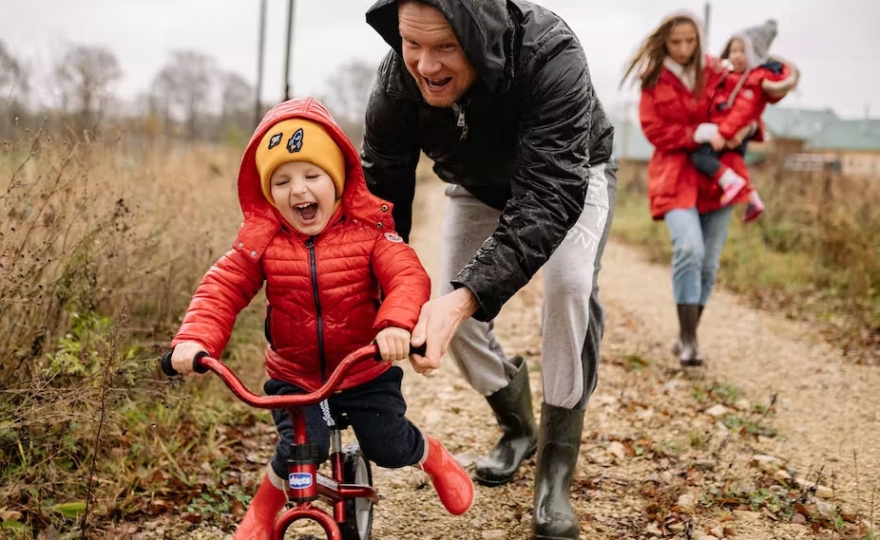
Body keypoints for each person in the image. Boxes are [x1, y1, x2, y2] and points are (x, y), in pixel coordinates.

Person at [361, 1, 616, 538]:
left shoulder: (551, 54)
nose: (425, 65)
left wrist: (466, 297)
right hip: (476, 184)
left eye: (445, 47)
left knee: (568, 287)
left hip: (570, 174)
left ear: (480, 35)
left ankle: (555, 471)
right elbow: (382, 199)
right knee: (452, 316)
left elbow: (549, 196)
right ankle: (518, 427)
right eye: (412, 44)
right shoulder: (396, 81)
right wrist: (375, 296)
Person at [168, 97, 475, 540]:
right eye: (282, 181)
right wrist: (195, 339)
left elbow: (407, 276)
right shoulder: (262, 241)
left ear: (338, 179)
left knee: (388, 446)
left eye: (312, 176)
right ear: (267, 192)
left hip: (364, 368)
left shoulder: (369, 232)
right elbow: (222, 288)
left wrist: (394, 324)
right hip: (295, 375)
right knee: (299, 450)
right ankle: (263, 511)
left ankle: (432, 456)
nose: (298, 191)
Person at [689, 18, 799, 222]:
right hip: (729, 131)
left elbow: (741, 111)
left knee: (700, 157)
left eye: (743, 51)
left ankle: (730, 183)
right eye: (733, 50)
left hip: (728, 132)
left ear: (754, 55)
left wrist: (723, 133)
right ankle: (752, 198)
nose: (737, 55)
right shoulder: (729, 77)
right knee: (734, 162)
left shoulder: (751, 82)